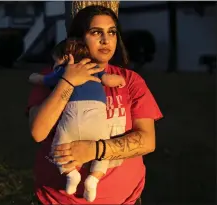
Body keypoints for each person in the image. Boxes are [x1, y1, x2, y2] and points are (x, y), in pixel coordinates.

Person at [27, 5, 163, 205]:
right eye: (96, 32)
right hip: (61, 200)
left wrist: (95, 150)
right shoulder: (54, 76)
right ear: (78, 39)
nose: (106, 40)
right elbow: (38, 132)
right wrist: (68, 81)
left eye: (112, 32)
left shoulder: (129, 80)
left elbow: (147, 141)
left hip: (123, 199)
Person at [28, 38, 125, 202]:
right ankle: (94, 179)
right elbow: (109, 79)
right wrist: (120, 81)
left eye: (55, 61)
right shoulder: (94, 68)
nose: (54, 65)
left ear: (66, 58)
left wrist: (33, 76)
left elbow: (41, 80)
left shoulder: (63, 71)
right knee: (103, 152)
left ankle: (70, 173)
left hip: (72, 118)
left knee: (58, 149)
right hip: (97, 120)